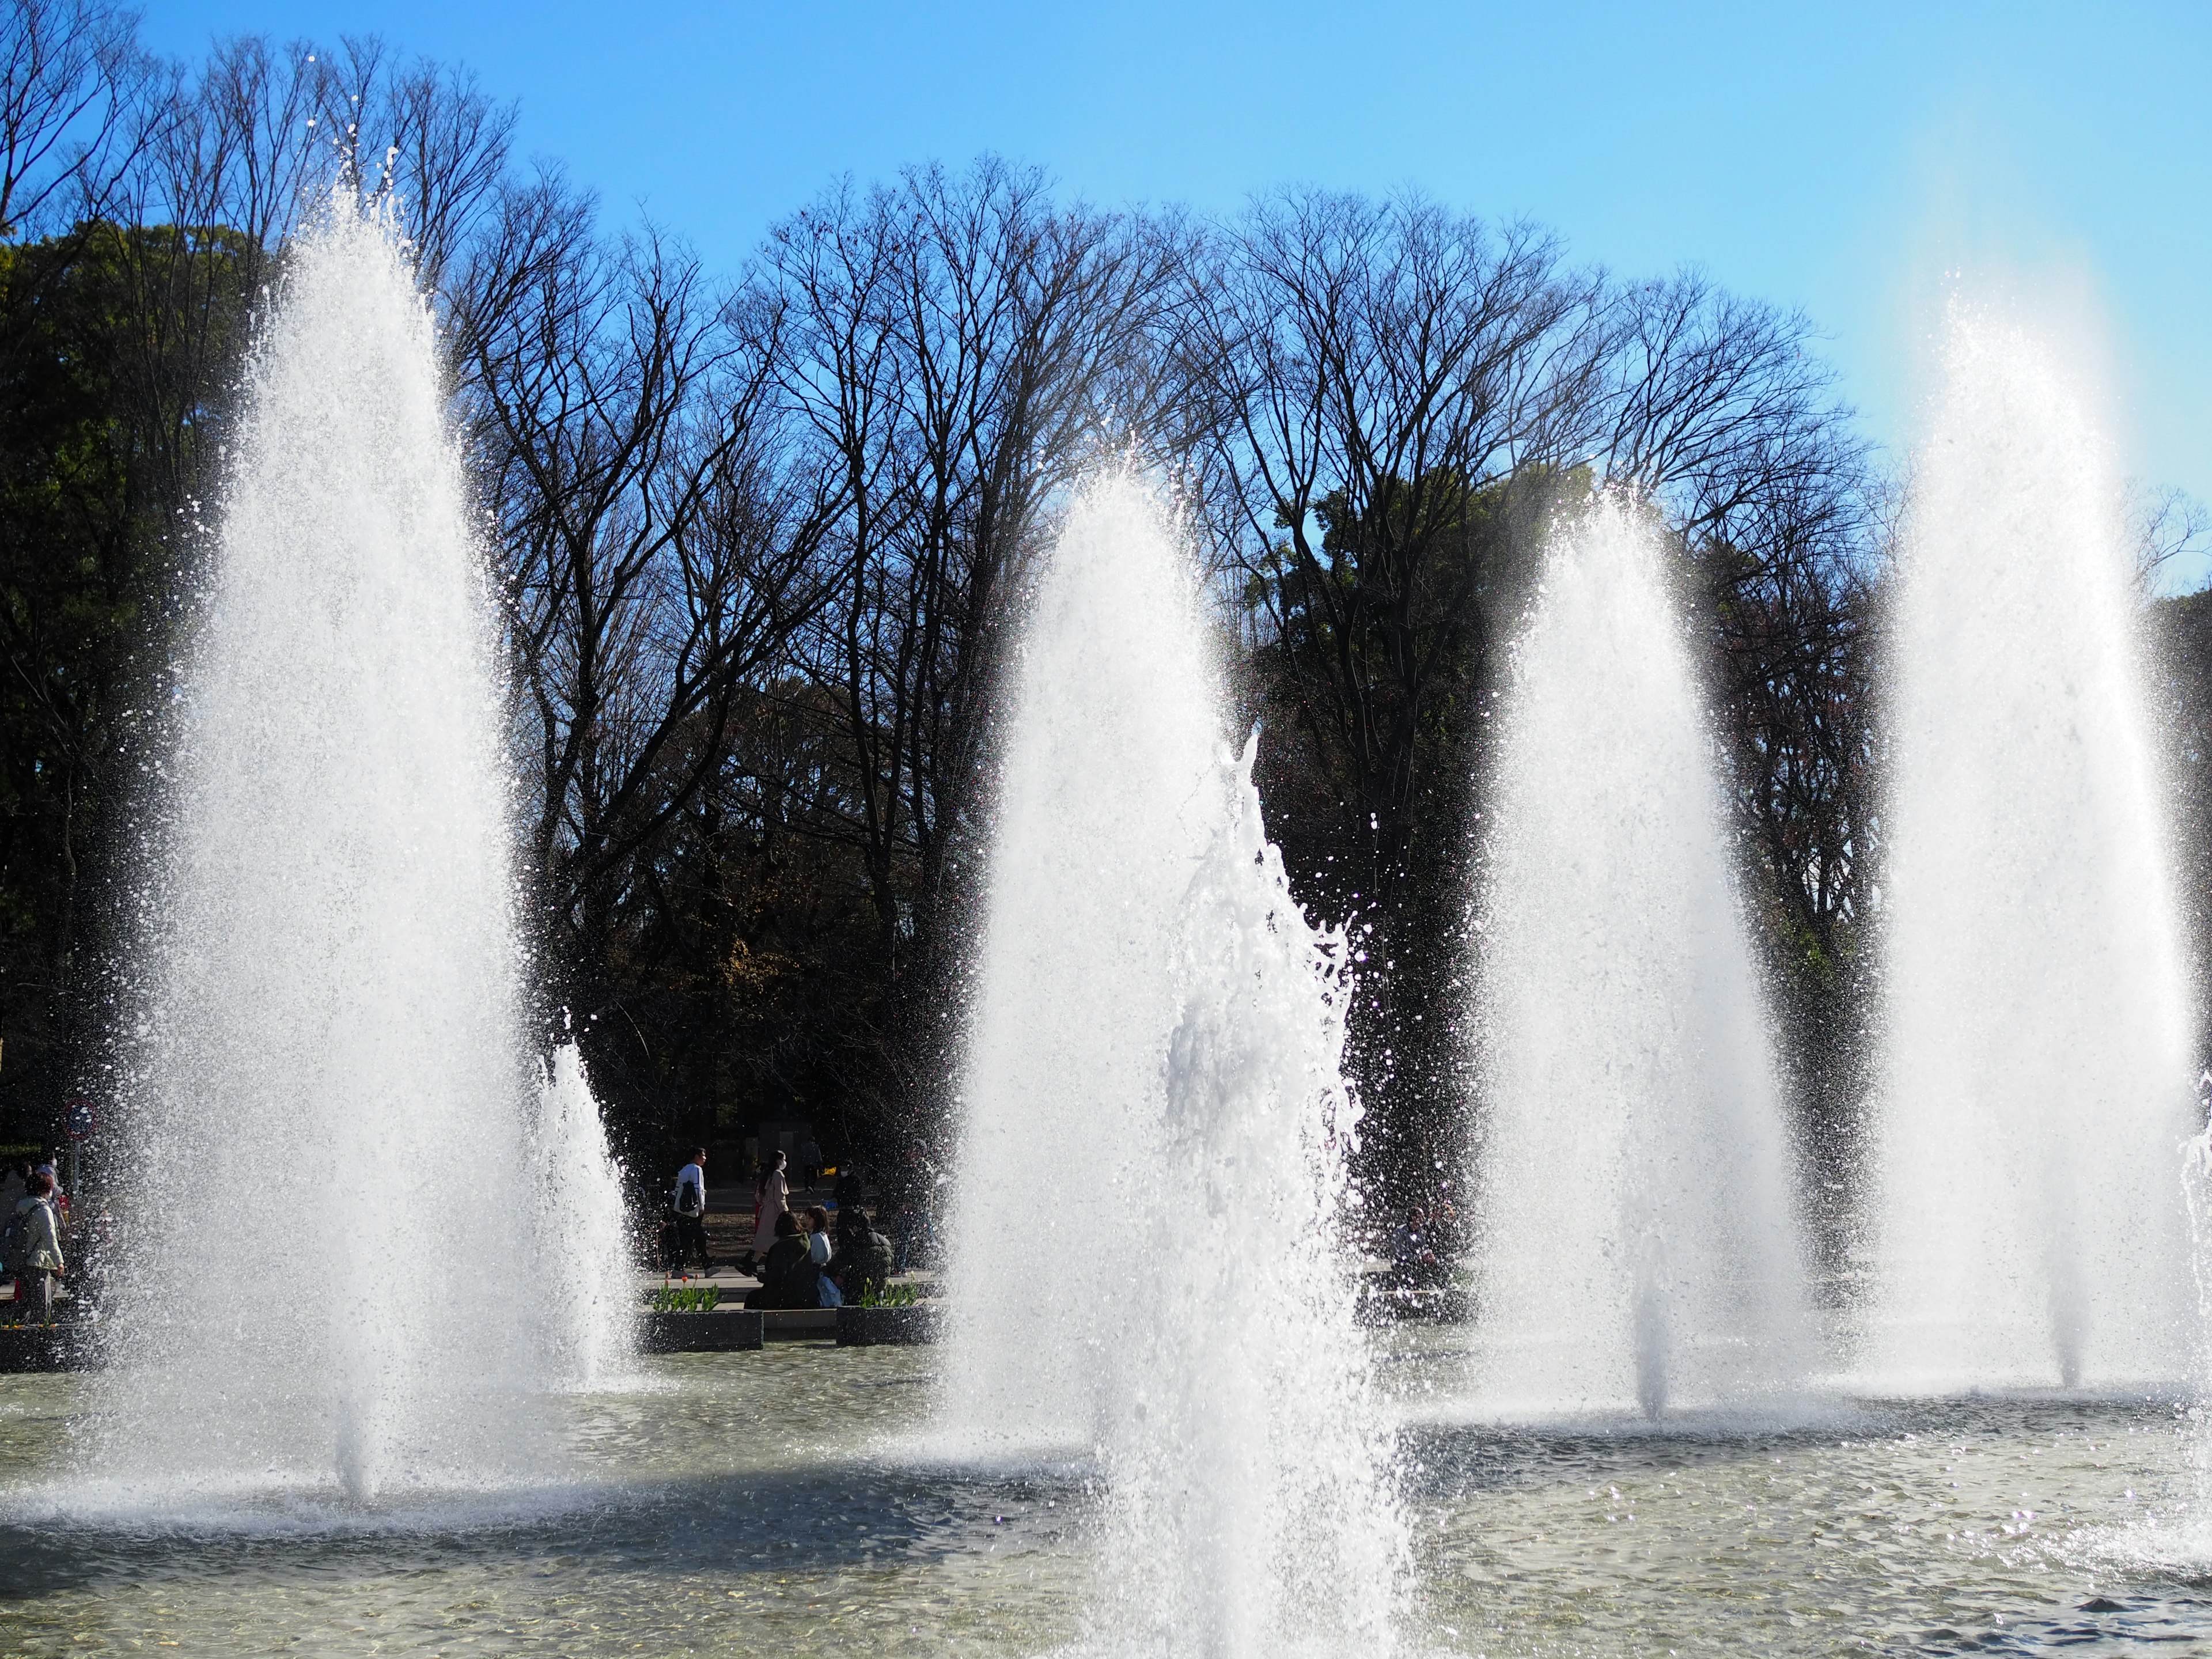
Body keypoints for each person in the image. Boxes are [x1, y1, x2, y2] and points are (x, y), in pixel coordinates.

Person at [10, 1170, 64, 1324]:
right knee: (42, 1304)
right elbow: (50, 1239)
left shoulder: (21, 1206)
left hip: (21, 1260)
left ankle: (20, 1336)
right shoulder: (43, 1210)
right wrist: (59, 1261)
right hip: (38, 1262)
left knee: (27, 1302)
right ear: (45, 1189)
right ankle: (41, 1339)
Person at [742, 1210, 820, 1310]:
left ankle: (752, 1325)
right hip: (806, 1295)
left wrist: (763, 1277)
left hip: (786, 1297)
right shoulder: (806, 1243)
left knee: (752, 1298)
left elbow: (778, 1276)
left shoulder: (781, 1247)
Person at [825, 1207, 895, 1304]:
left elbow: (835, 1265)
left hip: (858, 1293)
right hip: (879, 1292)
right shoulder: (886, 1242)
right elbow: (892, 1267)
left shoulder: (855, 1242)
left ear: (855, 1227)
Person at [745, 1150, 789, 1275]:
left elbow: (758, 1195)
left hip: (766, 1210)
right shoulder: (778, 1175)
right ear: (778, 1160)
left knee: (765, 1239)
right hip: (775, 1211)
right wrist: (785, 1211)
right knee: (776, 1239)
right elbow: (780, 1197)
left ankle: (752, 1264)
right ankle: (774, 1266)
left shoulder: (767, 1174)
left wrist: (765, 1203)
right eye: (784, 1159)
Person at [670, 1146, 710, 1275]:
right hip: (692, 1211)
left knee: (697, 1237)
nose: (705, 1159)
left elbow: (677, 1190)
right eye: (703, 1156)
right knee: (689, 1240)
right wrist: (701, 1206)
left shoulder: (684, 1170)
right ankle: (679, 1268)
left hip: (681, 1209)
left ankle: (708, 1266)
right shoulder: (697, 1169)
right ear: (697, 1157)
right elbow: (698, 1188)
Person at [802, 1205, 840, 1307]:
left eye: (809, 1218)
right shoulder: (822, 1235)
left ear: (817, 1220)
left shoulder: (817, 1237)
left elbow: (816, 1257)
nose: (807, 1221)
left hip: (817, 1271)